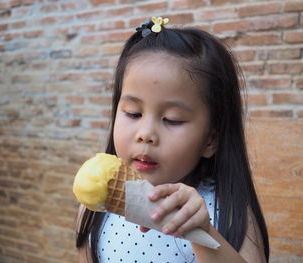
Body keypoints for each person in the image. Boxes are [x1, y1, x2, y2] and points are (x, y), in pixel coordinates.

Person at [75, 16, 269, 263]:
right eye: (133, 113)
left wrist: (203, 234)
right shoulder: (95, 209)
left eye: (173, 119)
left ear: (211, 140)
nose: (146, 133)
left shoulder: (226, 211)